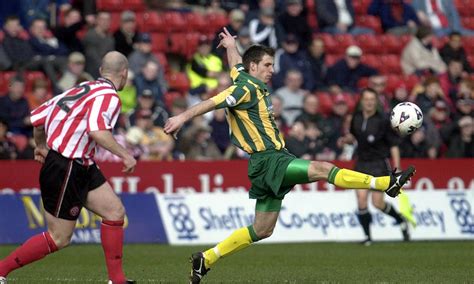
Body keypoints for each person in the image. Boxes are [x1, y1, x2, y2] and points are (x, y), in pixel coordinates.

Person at [163, 28, 416, 283]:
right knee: (321, 168)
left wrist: (230, 46)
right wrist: (182, 117)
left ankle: (206, 259)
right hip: (269, 159)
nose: (272, 70)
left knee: (262, 230)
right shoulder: (244, 90)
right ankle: (385, 183)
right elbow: (214, 101)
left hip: (268, 161)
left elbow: (236, 65)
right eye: (267, 65)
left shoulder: (246, 80)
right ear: (254, 67)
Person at [0, 51, 137, 284]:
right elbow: (97, 131)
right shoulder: (109, 97)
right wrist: (125, 155)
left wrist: (41, 146)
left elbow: (39, 119)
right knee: (59, 238)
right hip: (67, 166)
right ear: (123, 74)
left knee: (115, 212)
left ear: (101, 71)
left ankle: (117, 280)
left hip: (81, 163)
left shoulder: (82, 88)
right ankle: (1, 269)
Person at [338, 88, 411, 246]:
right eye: (367, 99)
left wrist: (397, 168)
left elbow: (393, 146)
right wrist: (346, 140)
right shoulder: (355, 118)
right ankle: (367, 237)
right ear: (362, 101)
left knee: (377, 203)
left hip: (379, 163)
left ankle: (401, 220)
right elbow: (354, 137)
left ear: (376, 101)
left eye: (372, 99)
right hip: (362, 162)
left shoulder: (383, 120)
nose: (369, 102)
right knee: (361, 199)